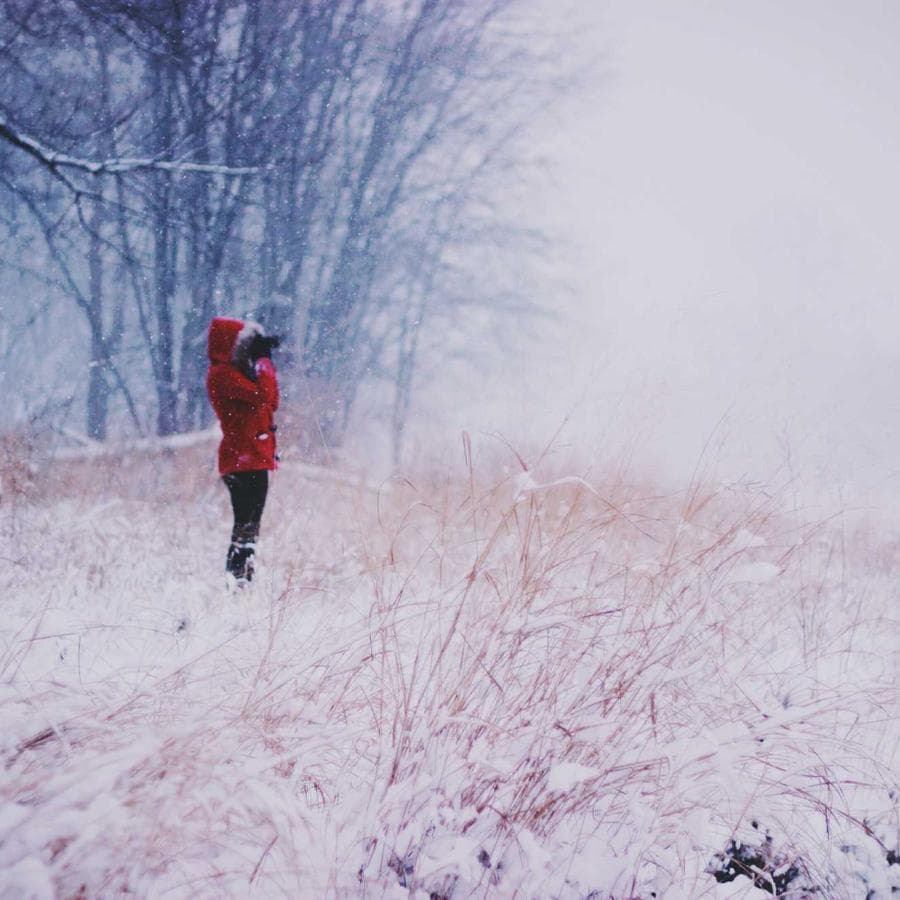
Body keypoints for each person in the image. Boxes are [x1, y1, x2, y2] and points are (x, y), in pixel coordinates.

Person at [206, 317, 280, 586]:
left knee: (250, 526)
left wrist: (262, 363)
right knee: (246, 525)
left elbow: (271, 400)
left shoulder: (238, 375)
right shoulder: (222, 376)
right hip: (242, 459)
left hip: (253, 457)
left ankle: (241, 580)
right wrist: (263, 363)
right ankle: (237, 581)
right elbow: (263, 396)